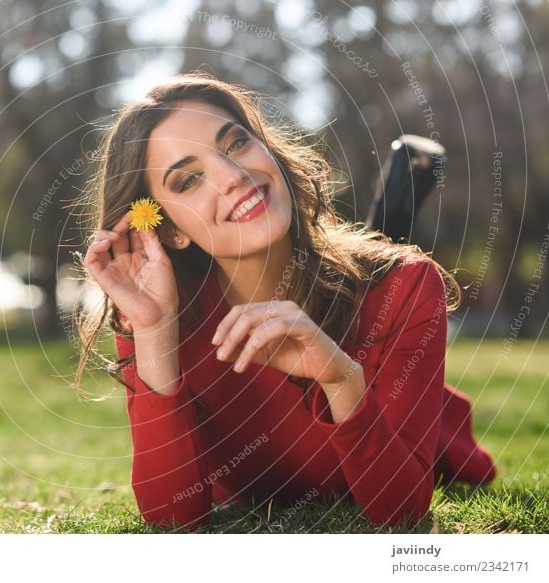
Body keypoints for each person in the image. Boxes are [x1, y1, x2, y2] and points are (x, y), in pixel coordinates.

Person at [74, 72, 496, 531]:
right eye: (190, 179)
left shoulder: (406, 286)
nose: (234, 177)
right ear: (170, 230)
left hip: (436, 445)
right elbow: (171, 518)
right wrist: (155, 333)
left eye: (236, 145)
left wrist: (341, 379)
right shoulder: (156, 313)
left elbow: (404, 512)